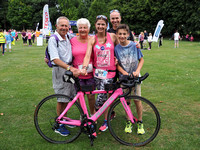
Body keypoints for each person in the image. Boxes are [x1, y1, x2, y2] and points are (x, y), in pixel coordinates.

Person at [81, 15, 118, 132]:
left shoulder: (112, 36)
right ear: (95, 25)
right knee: (105, 99)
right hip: (97, 73)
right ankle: (106, 120)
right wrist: (84, 67)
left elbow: (121, 46)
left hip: (110, 73)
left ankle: (96, 115)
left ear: (106, 25)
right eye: (98, 24)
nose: (101, 26)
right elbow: (87, 55)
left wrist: (134, 45)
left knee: (100, 100)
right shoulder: (92, 39)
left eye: (103, 24)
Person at [48, 16, 81, 136]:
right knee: (61, 98)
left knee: (67, 97)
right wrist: (70, 68)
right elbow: (55, 59)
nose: (64, 28)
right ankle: (59, 124)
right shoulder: (53, 38)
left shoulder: (68, 36)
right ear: (56, 26)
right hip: (61, 71)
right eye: (62, 25)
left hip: (68, 70)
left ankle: (64, 119)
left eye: (66, 26)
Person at [114, 24, 145, 134]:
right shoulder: (116, 48)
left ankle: (140, 121)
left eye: (124, 34)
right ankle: (129, 121)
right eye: (120, 34)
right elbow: (117, 64)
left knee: (137, 100)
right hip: (124, 79)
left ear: (128, 34)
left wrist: (137, 71)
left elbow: (141, 60)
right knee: (126, 102)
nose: (122, 36)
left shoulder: (134, 45)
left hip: (136, 78)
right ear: (117, 35)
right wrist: (124, 73)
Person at [70, 18, 96, 117]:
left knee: (91, 96)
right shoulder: (72, 40)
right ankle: (83, 114)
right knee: (80, 96)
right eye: (80, 28)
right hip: (77, 74)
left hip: (91, 74)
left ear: (89, 29)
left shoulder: (93, 40)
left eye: (85, 28)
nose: (82, 30)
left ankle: (92, 113)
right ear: (77, 29)